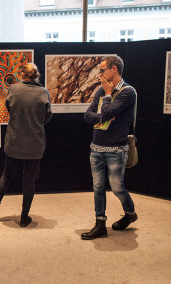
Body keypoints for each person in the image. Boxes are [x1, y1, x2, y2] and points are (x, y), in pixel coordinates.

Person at [0, 63, 52, 227]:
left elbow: (9, 107)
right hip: (35, 143)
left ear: (22, 75)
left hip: (14, 141)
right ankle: (24, 217)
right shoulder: (43, 92)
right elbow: (47, 117)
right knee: (29, 180)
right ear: (36, 75)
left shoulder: (14, 89)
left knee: (7, 176)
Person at [81, 55, 138, 240]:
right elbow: (88, 115)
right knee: (97, 186)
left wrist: (106, 96)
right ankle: (100, 224)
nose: (100, 73)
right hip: (96, 147)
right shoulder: (100, 90)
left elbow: (108, 112)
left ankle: (130, 213)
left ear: (114, 69)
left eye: (103, 69)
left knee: (116, 187)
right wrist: (102, 118)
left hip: (116, 149)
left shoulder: (127, 92)